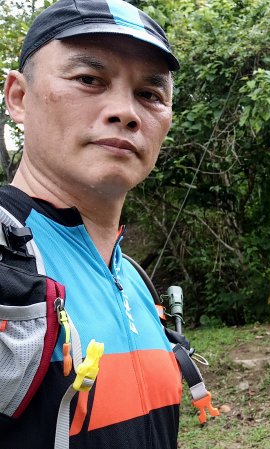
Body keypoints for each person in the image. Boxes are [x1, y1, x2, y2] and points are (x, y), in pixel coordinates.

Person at [1, 0, 183, 447]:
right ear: (19, 98)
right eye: (88, 79)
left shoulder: (135, 280)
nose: (126, 112)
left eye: (150, 94)